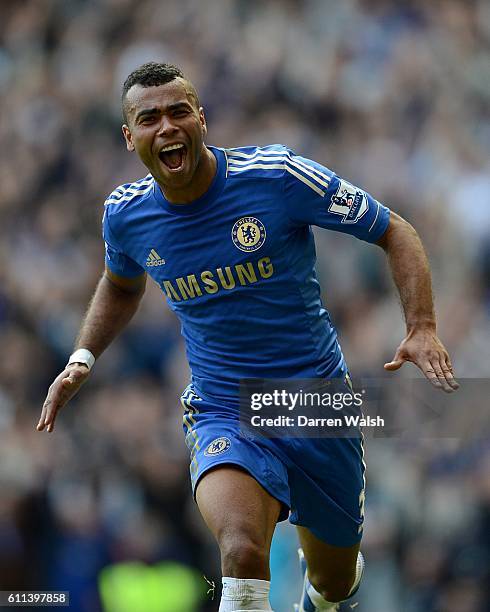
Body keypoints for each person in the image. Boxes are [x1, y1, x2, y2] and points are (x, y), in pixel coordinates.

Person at [37, 62, 459, 612]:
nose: (166, 127)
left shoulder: (277, 177)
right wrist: (83, 356)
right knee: (240, 549)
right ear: (129, 137)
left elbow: (394, 230)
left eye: (178, 111)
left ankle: (325, 586)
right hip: (223, 405)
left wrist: (422, 327)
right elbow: (120, 286)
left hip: (314, 403)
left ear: (201, 120)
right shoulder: (126, 216)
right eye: (149, 118)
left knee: (334, 584)